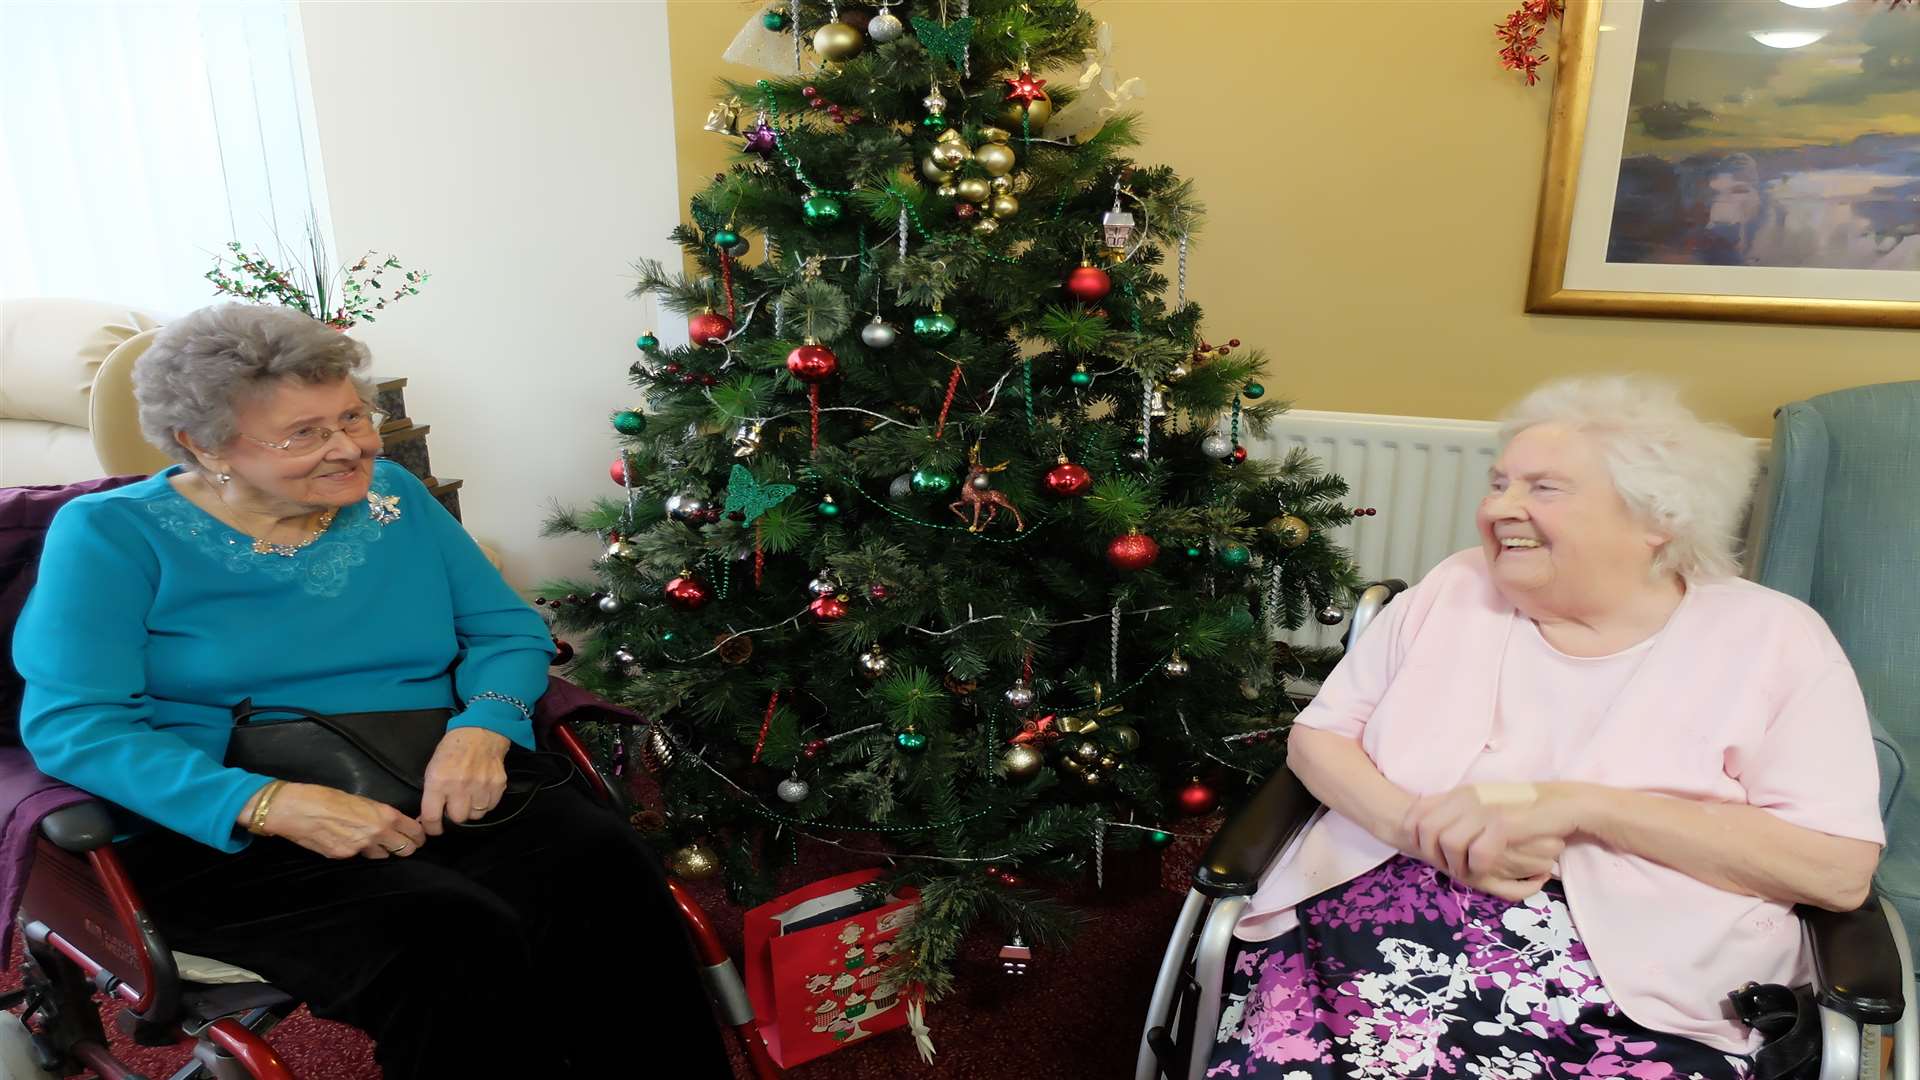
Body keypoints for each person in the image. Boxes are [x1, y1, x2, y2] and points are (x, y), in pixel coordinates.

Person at [13, 304, 731, 1079]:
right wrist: (266, 803)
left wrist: (483, 728)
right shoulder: (113, 534)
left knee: (598, 865)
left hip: (428, 765)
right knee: (444, 936)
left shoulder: (394, 495)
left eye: (352, 417)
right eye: (304, 434)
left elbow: (506, 630)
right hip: (225, 822)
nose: (349, 448)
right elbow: (75, 722)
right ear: (203, 444)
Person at [1209, 376, 1883, 1080]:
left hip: (1650, 971)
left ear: (1658, 518)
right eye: (1499, 483)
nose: (1501, 508)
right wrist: (1414, 827)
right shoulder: (1454, 589)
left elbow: (1836, 873)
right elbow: (1318, 738)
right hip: (1380, 915)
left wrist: (1581, 805)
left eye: (1545, 489)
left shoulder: (1772, 639)